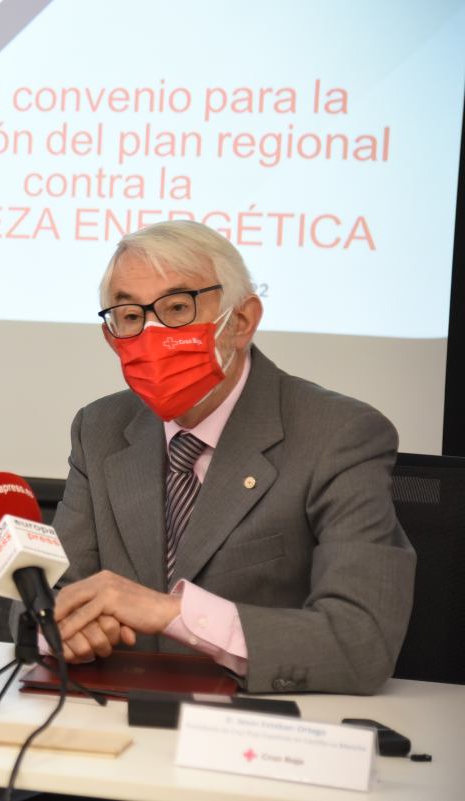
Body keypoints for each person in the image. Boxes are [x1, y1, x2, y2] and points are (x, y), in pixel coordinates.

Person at [24, 219, 415, 695]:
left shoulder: (338, 435)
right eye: (129, 315)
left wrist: (172, 612)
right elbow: (46, 596)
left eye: (176, 308)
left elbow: (362, 642)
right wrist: (59, 628)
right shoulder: (100, 429)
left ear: (242, 321)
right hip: (117, 722)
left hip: (264, 734)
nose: (151, 334)